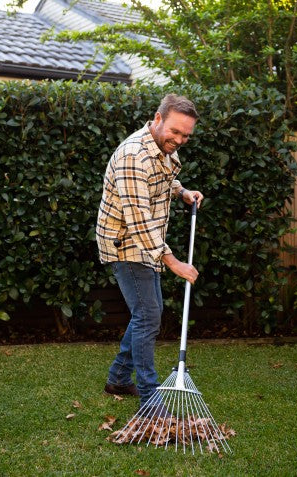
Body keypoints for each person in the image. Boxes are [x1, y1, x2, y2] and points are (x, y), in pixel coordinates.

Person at [96, 94, 204, 408]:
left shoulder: (160, 149)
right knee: (148, 316)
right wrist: (174, 263)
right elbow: (139, 222)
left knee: (147, 314)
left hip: (147, 241)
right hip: (125, 243)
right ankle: (149, 397)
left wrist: (182, 191)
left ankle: (117, 378)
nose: (180, 139)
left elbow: (162, 180)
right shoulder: (133, 155)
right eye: (175, 131)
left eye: (186, 135)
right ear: (157, 119)